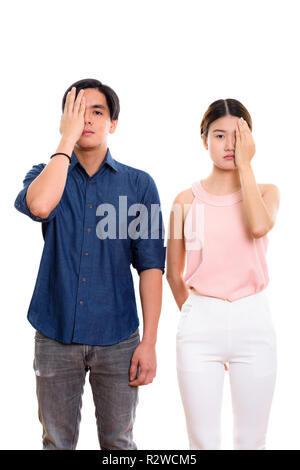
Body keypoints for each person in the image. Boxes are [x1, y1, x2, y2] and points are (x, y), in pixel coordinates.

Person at [14, 78, 165, 450]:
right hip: (55, 330)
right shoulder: (44, 174)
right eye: (78, 111)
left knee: (118, 443)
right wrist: (65, 143)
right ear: (65, 119)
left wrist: (149, 342)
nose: (88, 120)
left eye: (97, 111)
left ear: (113, 123)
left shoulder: (140, 185)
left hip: (118, 338)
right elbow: (40, 206)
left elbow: (150, 267)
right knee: (56, 442)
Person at [166, 98, 280, 450]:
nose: (229, 145)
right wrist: (200, 315)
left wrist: (246, 167)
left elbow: (259, 226)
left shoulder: (265, 192)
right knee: (202, 441)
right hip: (200, 320)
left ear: (250, 141)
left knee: (251, 439)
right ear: (204, 140)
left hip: (253, 321)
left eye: (237, 136)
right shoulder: (185, 200)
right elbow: (173, 274)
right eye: (219, 136)